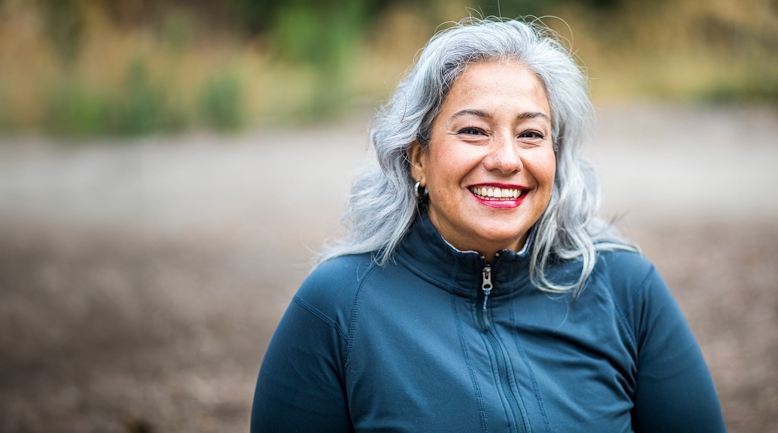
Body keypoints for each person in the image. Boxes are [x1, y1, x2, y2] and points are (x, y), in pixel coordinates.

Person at [250, 18, 726, 432]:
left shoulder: (626, 290)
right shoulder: (338, 307)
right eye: (474, 130)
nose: (505, 159)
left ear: (556, 158)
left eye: (531, 134)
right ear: (418, 158)